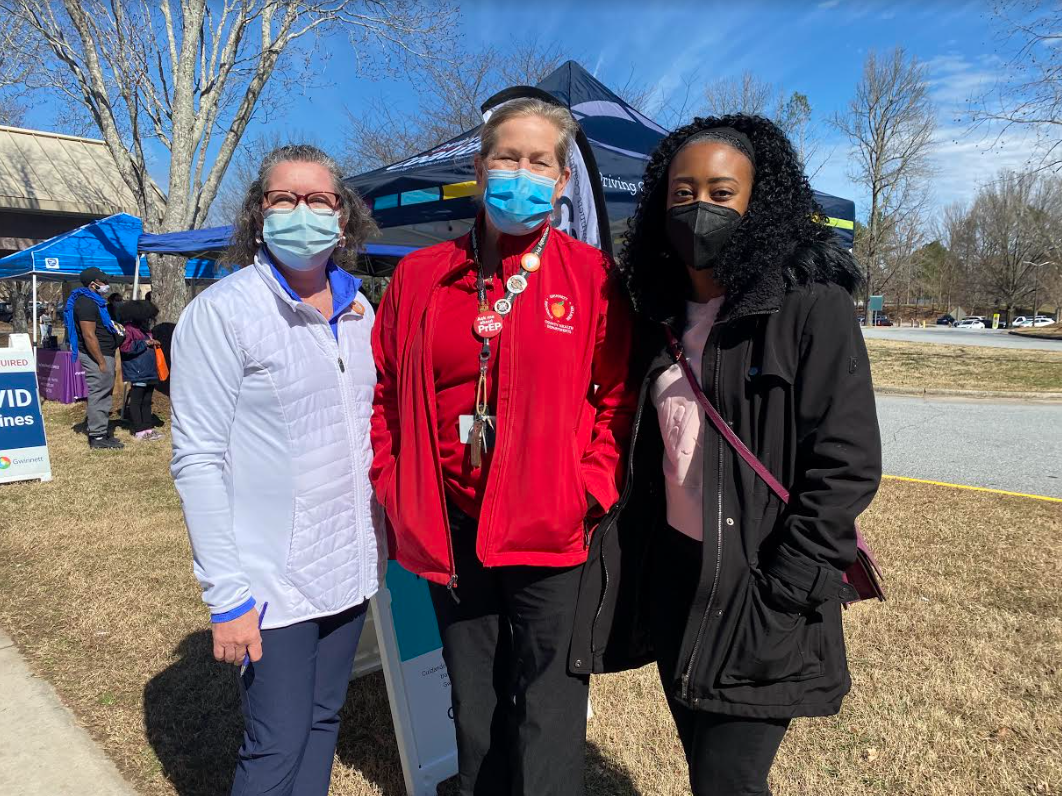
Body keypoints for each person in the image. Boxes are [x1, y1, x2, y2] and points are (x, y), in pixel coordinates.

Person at [586, 115, 883, 795]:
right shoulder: (657, 318)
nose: (700, 209)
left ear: (761, 203)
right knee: (705, 770)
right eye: (683, 193)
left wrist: (787, 585)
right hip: (675, 580)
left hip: (757, 584)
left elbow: (847, 462)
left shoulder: (810, 308)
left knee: (730, 781)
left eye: (722, 193)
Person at [370, 98, 636, 796]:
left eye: (539, 161)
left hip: (550, 530)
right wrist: (397, 491)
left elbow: (618, 400)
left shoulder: (592, 277)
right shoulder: (422, 276)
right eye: (508, 157)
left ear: (564, 180)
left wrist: (589, 488)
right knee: (474, 702)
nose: (522, 172)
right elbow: (385, 396)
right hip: (453, 527)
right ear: (480, 166)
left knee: (548, 706)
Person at [169, 144, 383, 796]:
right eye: (283, 198)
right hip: (271, 583)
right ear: (258, 215)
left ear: (342, 219)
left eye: (319, 199)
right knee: (276, 744)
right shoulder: (224, 312)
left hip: (346, 569)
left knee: (322, 719)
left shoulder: (360, 313)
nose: (302, 211)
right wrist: (227, 595)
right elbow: (197, 459)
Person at [64, 267, 124, 449]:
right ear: (93, 284)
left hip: (105, 352)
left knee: (104, 393)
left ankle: (101, 431)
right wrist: (101, 362)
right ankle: (97, 437)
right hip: (97, 356)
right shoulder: (86, 303)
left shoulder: (95, 302)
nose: (106, 285)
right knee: (99, 393)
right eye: (103, 281)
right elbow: (89, 335)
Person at [116, 300, 162, 441]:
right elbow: (125, 348)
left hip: (149, 371)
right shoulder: (128, 329)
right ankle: (139, 429)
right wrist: (145, 343)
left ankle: (148, 428)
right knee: (137, 400)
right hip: (138, 371)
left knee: (147, 400)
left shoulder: (145, 330)